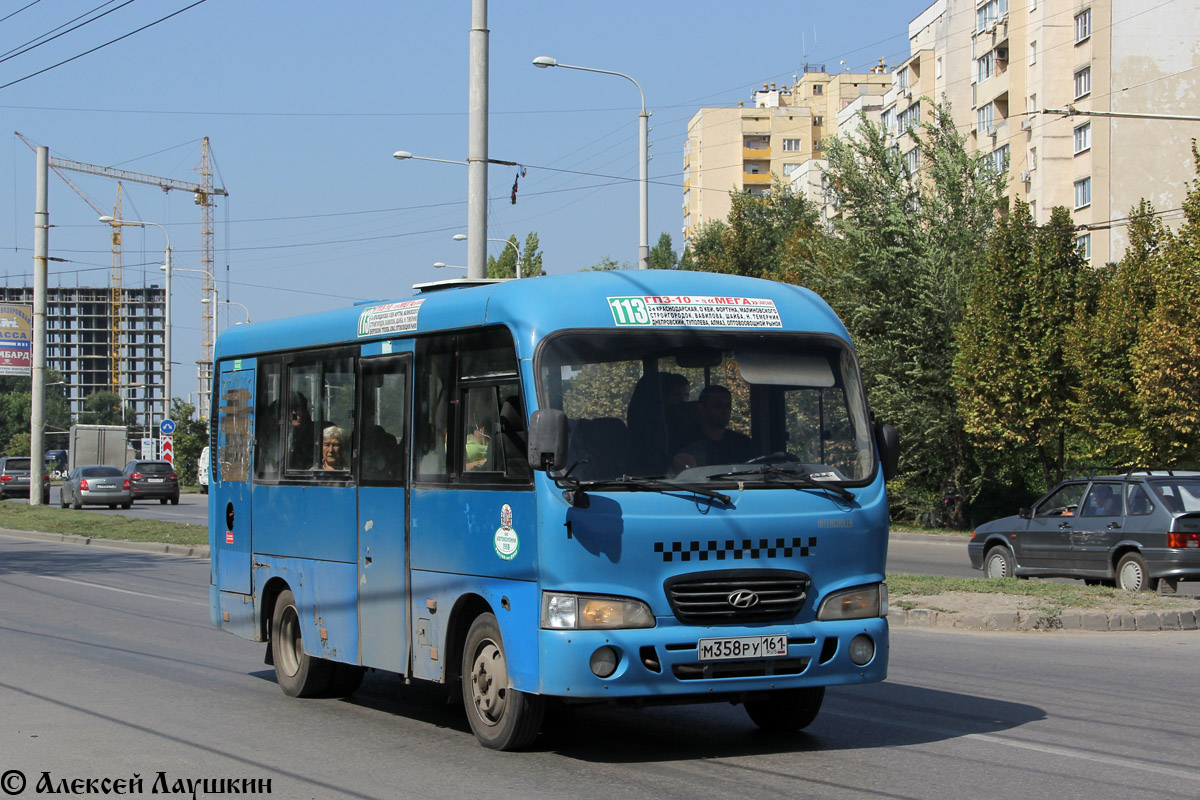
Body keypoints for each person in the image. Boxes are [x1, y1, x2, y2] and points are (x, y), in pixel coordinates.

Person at [671, 385, 754, 472]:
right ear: (701, 408)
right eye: (718, 405)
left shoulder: (742, 443)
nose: (725, 410)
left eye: (728, 405)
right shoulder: (685, 443)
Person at [287, 391, 315, 470]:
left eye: (302, 409)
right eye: (293, 409)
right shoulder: (276, 437)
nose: (298, 415)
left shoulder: (313, 436)